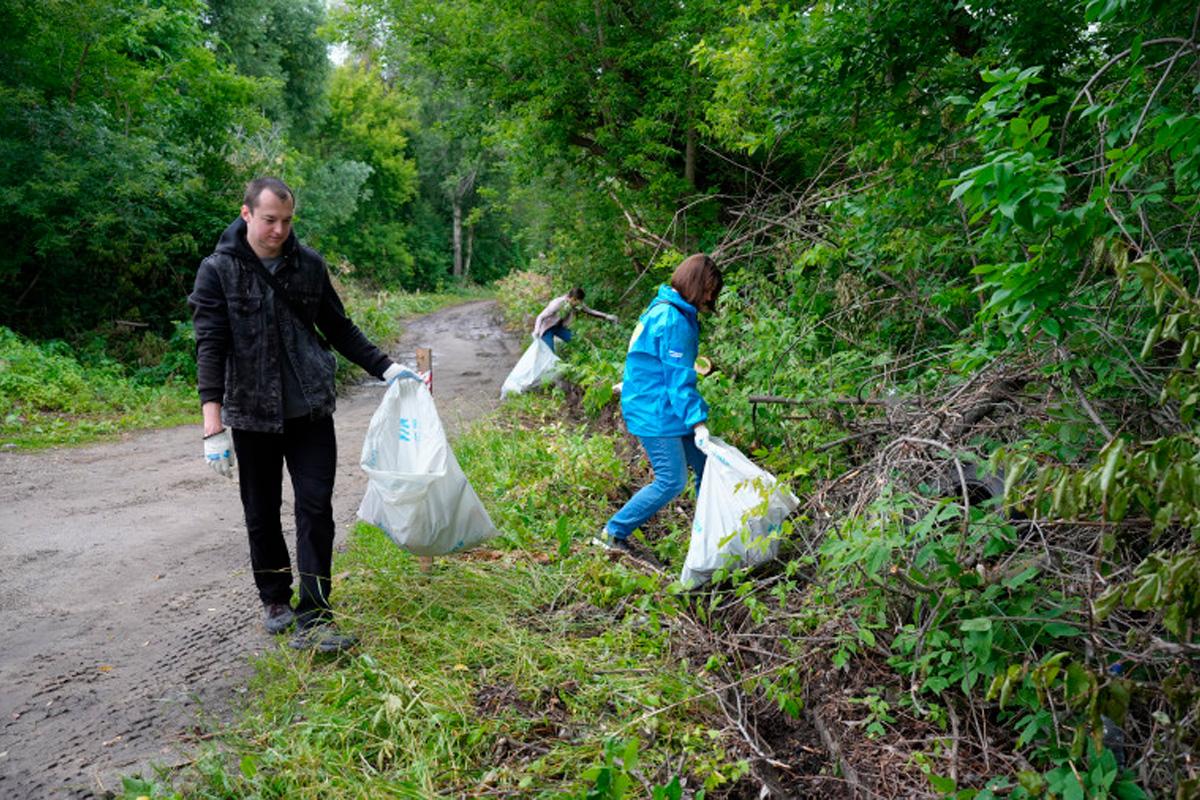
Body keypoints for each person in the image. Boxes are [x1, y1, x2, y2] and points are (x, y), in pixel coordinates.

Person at [188, 177, 421, 653]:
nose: (279, 230)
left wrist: (388, 368)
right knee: (262, 510)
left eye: (287, 221)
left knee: (316, 508)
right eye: (270, 220)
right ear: (247, 213)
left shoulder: (308, 265)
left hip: (311, 409)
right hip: (252, 414)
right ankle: (275, 599)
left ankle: (315, 614)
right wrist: (213, 425)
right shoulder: (218, 271)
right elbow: (211, 346)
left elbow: (338, 327)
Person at [594, 253, 723, 554]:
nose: (710, 298)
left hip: (660, 403)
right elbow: (678, 380)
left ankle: (708, 537)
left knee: (708, 465)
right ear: (697, 285)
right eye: (709, 291)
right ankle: (612, 533)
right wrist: (698, 422)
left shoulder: (665, 309)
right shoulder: (673, 319)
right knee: (671, 480)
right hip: (656, 410)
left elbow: (647, 358)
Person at [532, 286, 618, 353]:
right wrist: (536, 331)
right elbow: (541, 317)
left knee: (576, 341)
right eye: (579, 301)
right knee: (549, 351)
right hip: (547, 328)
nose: (580, 303)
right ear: (573, 299)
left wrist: (607, 316)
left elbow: (590, 311)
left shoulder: (576, 304)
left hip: (559, 327)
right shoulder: (557, 303)